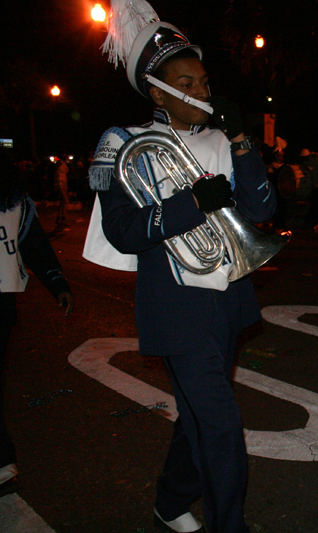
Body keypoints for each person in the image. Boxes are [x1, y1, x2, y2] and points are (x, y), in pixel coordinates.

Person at [83, 4, 276, 532]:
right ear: (159, 92)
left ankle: (170, 500)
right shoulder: (123, 143)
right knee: (220, 426)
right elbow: (122, 230)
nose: (203, 90)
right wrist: (193, 203)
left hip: (229, 302)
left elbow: (262, 210)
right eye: (187, 81)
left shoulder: (220, 140)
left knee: (196, 417)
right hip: (175, 307)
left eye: (205, 80)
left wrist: (241, 141)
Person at [1, 148, 73, 496]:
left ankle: (3, 461)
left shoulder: (18, 204)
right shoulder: (18, 203)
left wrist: (57, 282)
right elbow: (36, 247)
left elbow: (35, 247)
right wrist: (56, 282)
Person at [54, 152, 70, 226]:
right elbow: (56, 173)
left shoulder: (63, 163)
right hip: (61, 183)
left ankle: (59, 217)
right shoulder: (59, 163)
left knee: (63, 201)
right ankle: (63, 218)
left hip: (63, 182)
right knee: (65, 200)